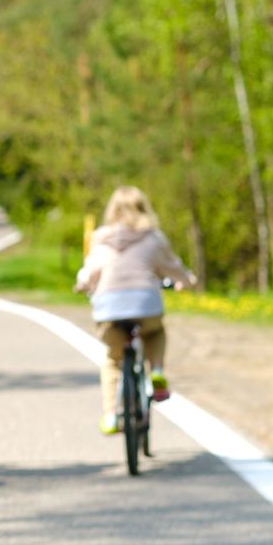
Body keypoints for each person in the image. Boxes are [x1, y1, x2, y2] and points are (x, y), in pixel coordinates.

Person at [74, 185, 196, 435]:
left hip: (109, 308)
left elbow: (90, 270)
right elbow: (172, 267)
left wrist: (83, 284)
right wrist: (187, 279)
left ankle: (110, 415)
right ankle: (158, 373)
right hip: (145, 304)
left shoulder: (101, 237)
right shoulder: (153, 237)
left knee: (112, 360)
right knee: (155, 332)